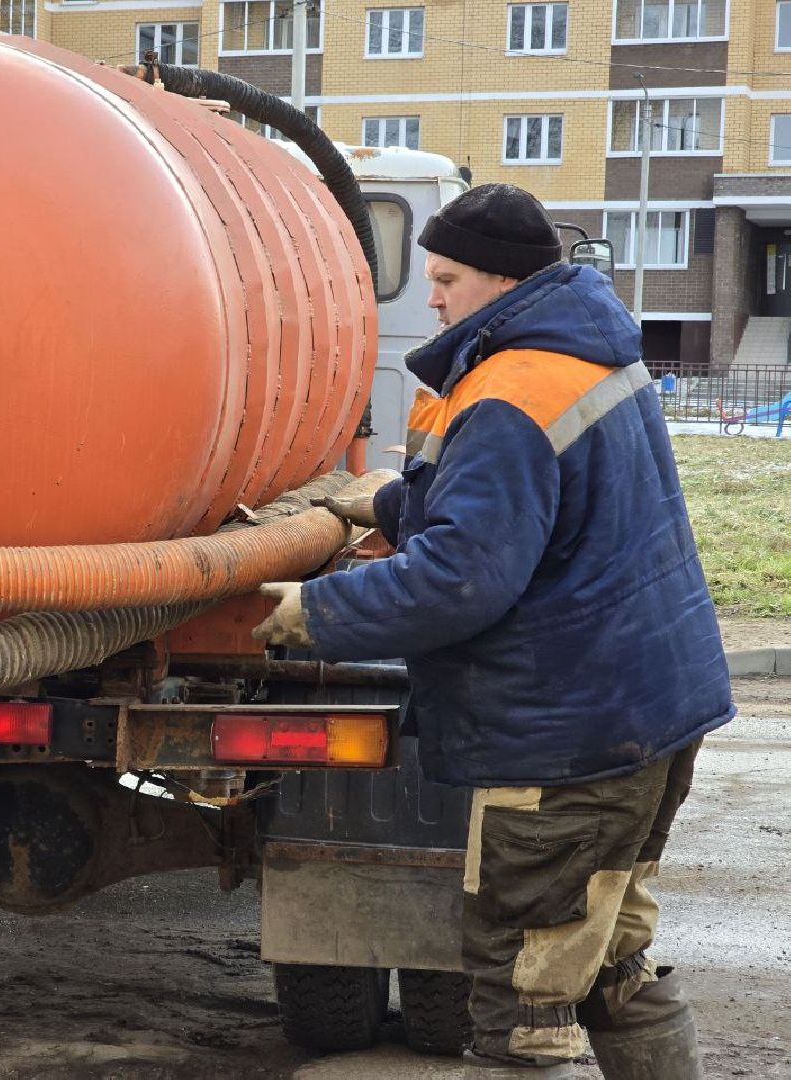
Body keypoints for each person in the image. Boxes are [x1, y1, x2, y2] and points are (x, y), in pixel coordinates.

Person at [254, 184, 733, 1080]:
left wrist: (314, 612)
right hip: (643, 717)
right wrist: (394, 502)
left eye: (446, 278)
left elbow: (462, 578)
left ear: (502, 281)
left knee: (522, 1006)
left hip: (567, 744)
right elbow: (528, 504)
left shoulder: (512, 389)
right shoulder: (580, 354)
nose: (430, 296)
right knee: (609, 966)